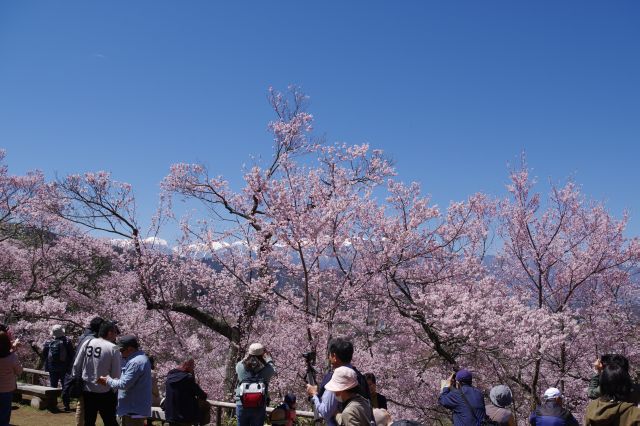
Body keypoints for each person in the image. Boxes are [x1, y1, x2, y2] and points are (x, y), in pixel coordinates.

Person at [307, 338, 371, 426]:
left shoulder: (337, 377)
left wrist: (314, 395)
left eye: (329, 354)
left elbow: (326, 412)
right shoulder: (359, 376)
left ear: (334, 356)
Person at [72, 320, 121, 426]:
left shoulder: (88, 342)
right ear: (109, 333)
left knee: (89, 420)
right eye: (115, 333)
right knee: (109, 420)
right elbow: (116, 373)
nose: (116, 335)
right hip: (105, 389)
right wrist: (114, 389)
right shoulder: (113, 348)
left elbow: (77, 365)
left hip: (88, 388)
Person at [98, 335, 152, 426]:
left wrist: (108, 380)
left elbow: (124, 384)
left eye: (121, 350)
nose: (119, 352)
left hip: (133, 410)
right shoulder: (140, 359)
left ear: (130, 349)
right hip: (135, 408)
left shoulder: (135, 362)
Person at [71, 316, 104, 426]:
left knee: (82, 405)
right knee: (84, 405)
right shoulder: (92, 340)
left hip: (81, 376)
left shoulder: (84, 337)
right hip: (86, 379)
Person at [235, 342, 276, 426]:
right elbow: (273, 368)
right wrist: (269, 358)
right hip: (259, 404)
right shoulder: (267, 369)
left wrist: (248, 356)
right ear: (262, 354)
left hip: (242, 402)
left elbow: (241, 363)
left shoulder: (240, 366)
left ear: (249, 353)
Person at [164, 358, 208, 426]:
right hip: (184, 416)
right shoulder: (187, 378)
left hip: (170, 415)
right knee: (206, 405)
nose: (193, 368)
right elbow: (202, 395)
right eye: (193, 366)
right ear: (188, 365)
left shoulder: (170, 376)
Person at [43, 324, 75, 411]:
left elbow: (44, 355)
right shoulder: (67, 342)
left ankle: (52, 405)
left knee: (53, 386)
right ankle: (66, 405)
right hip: (64, 367)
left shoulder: (48, 343)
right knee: (65, 386)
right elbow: (72, 355)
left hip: (52, 367)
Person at [0, 331, 22, 426]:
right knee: (4, 414)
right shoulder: (12, 358)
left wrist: (13, 349)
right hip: (6, 390)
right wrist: (14, 350)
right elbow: (19, 371)